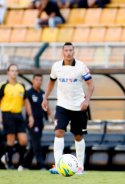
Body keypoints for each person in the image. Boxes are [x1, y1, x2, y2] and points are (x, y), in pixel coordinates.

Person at [41, 42, 94, 175]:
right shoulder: (56, 66)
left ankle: (80, 167)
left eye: (71, 50)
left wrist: (86, 101)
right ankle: (58, 165)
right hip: (62, 106)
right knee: (58, 132)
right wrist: (45, 97)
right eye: (66, 50)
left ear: (73, 52)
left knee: (78, 136)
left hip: (78, 107)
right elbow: (51, 81)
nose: (68, 53)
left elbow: (91, 84)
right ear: (62, 52)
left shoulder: (81, 66)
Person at [0, 64, 34, 169]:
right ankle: (9, 163)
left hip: (18, 115)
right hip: (7, 114)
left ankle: (18, 162)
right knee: (10, 138)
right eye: (12, 70)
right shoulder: (3, 85)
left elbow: (26, 101)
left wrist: (30, 116)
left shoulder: (21, 86)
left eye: (16, 71)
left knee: (23, 140)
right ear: (8, 72)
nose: (14, 72)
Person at [19, 74, 52, 170]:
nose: (39, 81)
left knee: (34, 144)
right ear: (33, 80)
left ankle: (24, 165)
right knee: (37, 143)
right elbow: (27, 106)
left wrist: (51, 116)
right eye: (37, 79)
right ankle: (40, 165)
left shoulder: (42, 93)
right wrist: (30, 117)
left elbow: (46, 106)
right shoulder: (28, 93)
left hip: (40, 122)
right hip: (31, 122)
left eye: (40, 80)